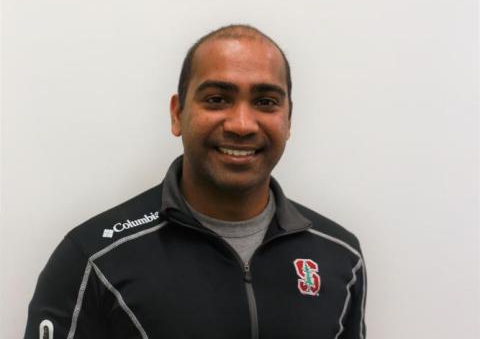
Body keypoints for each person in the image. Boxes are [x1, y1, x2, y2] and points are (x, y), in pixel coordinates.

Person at [24, 24, 367, 339]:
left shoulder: (341, 256)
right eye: (217, 99)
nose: (242, 124)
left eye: (265, 102)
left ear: (288, 119)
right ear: (177, 114)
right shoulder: (94, 259)